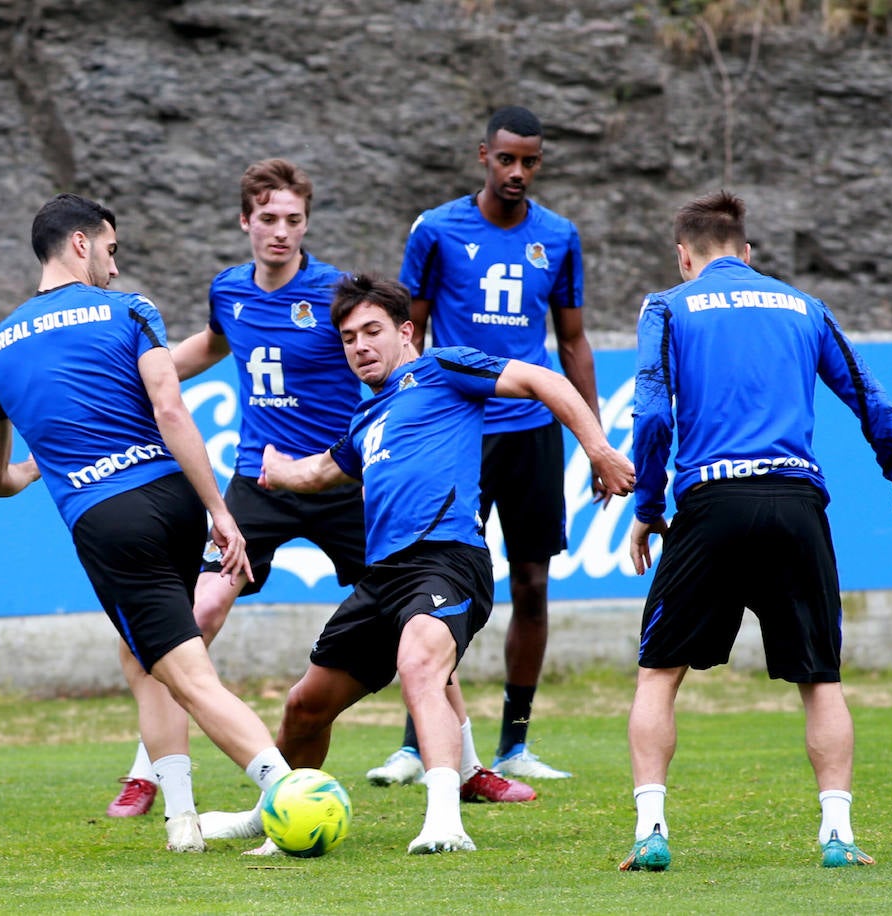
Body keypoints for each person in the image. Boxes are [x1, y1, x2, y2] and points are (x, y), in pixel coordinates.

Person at [106, 159, 533, 819]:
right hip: (261, 479)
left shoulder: (337, 297)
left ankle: (466, 765)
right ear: (245, 220)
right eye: (268, 219)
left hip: (347, 481)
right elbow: (210, 347)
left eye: (294, 221)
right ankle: (151, 769)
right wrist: (135, 380)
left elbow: (393, 362)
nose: (281, 232)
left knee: (420, 618)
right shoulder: (229, 291)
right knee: (202, 608)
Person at [201, 274, 634, 855]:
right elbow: (320, 474)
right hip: (384, 580)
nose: (359, 346)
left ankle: (445, 821)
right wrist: (278, 471)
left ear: (406, 332)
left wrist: (598, 448)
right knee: (305, 706)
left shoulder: (444, 368)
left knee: (419, 663)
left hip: (448, 560)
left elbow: (540, 377)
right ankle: (271, 814)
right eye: (349, 337)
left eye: (372, 331)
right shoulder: (363, 421)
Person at [620, 190, 892, 871]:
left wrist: (648, 507)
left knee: (659, 675)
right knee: (820, 679)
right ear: (748, 252)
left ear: (684, 257)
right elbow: (877, 408)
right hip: (796, 503)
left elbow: (650, 418)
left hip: (711, 504)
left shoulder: (668, 307)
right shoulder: (805, 307)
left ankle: (651, 830)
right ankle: (837, 836)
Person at [0, 192, 295, 853]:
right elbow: (170, 411)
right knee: (145, 657)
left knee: (185, 674)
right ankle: (181, 822)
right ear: (82, 244)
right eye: (111, 251)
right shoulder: (131, 311)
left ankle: (290, 793)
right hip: (173, 501)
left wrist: (39, 468)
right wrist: (218, 509)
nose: (116, 269)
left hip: (108, 519)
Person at [365, 105, 605, 788]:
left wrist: (592, 440)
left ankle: (514, 744)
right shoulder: (437, 230)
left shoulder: (558, 236)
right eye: (507, 159)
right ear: (483, 156)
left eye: (530, 161)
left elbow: (573, 341)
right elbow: (405, 331)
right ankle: (417, 745)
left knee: (531, 585)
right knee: (427, 581)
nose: (518, 172)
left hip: (528, 434)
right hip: (452, 431)